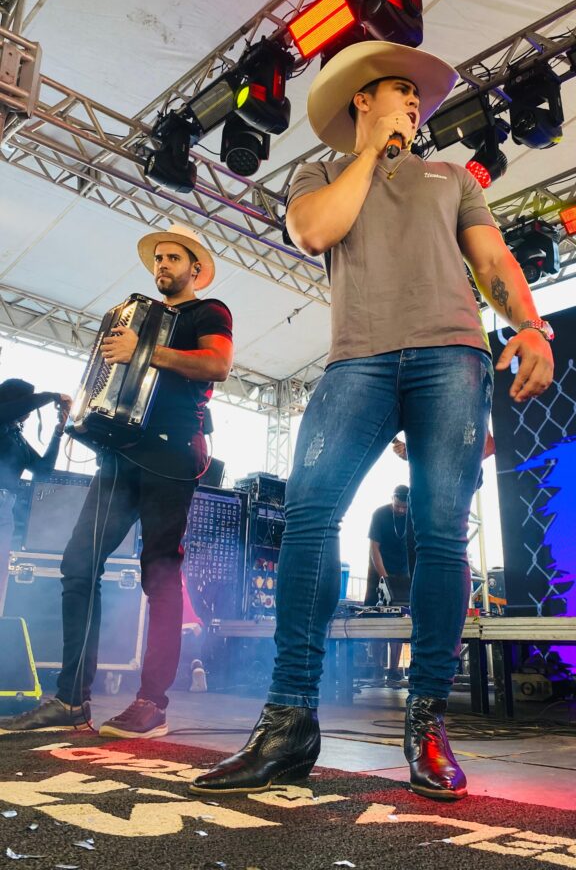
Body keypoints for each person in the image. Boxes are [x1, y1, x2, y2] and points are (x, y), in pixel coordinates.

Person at [189, 40, 554, 802]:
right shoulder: (319, 172)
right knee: (310, 513)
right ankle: (289, 719)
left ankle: (426, 720)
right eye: (400, 91)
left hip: (451, 356)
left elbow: (492, 261)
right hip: (356, 358)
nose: (414, 104)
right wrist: (371, 153)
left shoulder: (451, 177)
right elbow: (315, 231)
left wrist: (530, 325)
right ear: (362, 98)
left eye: (419, 98)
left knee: (441, 530)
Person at [0, 223, 233, 739]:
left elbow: (218, 365)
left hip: (171, 456)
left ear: (195, 268)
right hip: (120, 457)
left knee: (159, 575)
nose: (163, 265)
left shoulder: (208, 312)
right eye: (159, 259)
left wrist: (143, 351)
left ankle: (153, 702)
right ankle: (71, 699)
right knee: (77, 564)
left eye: (174, 258)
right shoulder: (139, 317)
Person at [0, 380, 71, 614]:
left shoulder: (16, 436)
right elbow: (21, 406)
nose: (29, 411)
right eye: (26, 403)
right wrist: (52, 395)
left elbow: (43, 470)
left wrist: (58, 433)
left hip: (5, 511)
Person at [364, 484, 411, 685]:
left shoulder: (413, 516)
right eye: (397, 505)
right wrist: (384, 578)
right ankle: (377, 666)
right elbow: (374, 548)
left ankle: (393, 670)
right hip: (378, 570)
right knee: (377, 619)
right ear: (392, 499)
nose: (400, 510)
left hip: (402, 573)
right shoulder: (380, 515)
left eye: (404, 507)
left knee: (398, 620)